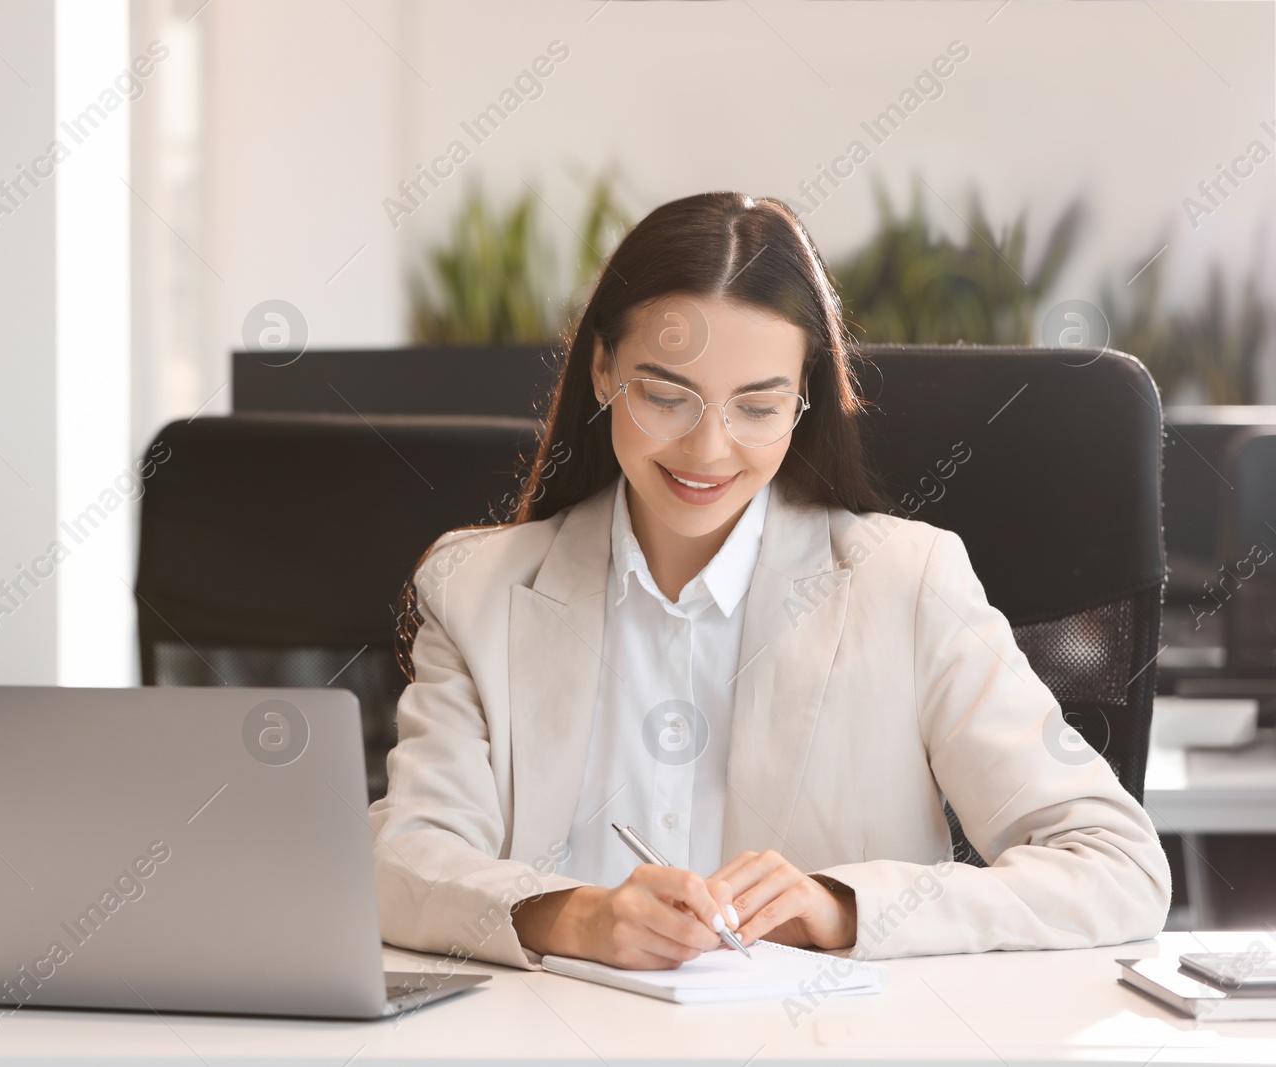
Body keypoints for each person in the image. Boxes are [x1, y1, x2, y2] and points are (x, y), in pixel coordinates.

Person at [367, 192, 1171, 971]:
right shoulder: (476, 588)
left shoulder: (906, 583)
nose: (709, 450)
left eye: (757, 406)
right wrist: (576, 913)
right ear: (605, 369)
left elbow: (1118, 866)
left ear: (805, 398)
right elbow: (398, 864)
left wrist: (843, 907)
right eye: (667, 394)